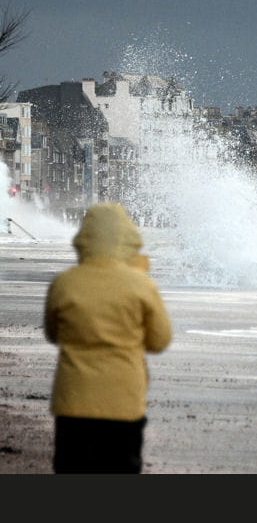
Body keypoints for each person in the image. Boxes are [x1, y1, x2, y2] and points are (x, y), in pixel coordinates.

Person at [44, 202, 172, 473]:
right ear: (128, 239)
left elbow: (53, 333)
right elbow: (159, 340)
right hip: (123, 401)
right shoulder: (141, 284)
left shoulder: (65, 282)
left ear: (84, 239)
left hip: (73, 401)